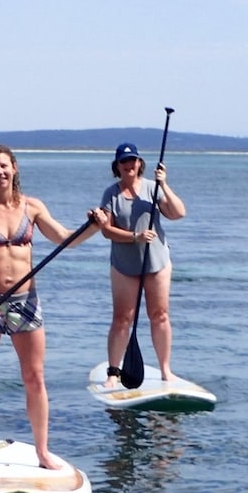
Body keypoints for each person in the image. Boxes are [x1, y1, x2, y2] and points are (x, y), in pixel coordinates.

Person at [0, 144, 101, 472]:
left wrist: (92, 227)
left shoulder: (32, 208)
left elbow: (64, 238)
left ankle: (43, 452)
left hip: (26, 303)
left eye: (4, 166)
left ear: (14, 168)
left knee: (34, 377)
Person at [95, 141, 187, 388]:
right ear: (117, 166)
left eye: (133, 160)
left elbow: (179, 213)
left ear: (139, 164)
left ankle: (166, 371)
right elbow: (107, 231)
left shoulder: (152, 188)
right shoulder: (111, 194)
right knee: (122, 318)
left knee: (160, 315)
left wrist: (164, 185)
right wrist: (134, 237)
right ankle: (113, 373)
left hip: (156, 262)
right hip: (124, 265)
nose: (129, 165)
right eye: (124, 162)